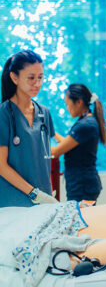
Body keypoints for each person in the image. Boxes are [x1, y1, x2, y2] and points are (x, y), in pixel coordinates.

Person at [0, 50, 57, 207]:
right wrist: (34, 193)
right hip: (13, 201)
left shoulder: (44, 113)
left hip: (43, 199)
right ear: (14, 77)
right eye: (31, 78)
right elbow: (1, 166)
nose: (37, 83)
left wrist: (49, 194)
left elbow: (46, 158)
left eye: (40, 77)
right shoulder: (3, 114)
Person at [51, 83, 106, 202]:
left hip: (82, 186)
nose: (66, 108)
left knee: (80, 219)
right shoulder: (87, 121)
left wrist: (34, 146)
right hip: (83, 184)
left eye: (67, 104)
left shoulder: (85, 125)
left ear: (79, 102)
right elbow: (67, 143)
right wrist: (51, 131)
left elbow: (55, 152)